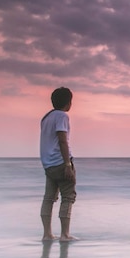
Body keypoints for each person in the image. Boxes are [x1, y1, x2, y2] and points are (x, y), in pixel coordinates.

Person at [40, 87, 77, 242]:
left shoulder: (46, 117)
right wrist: (67, 164)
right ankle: (65, 235)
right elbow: (62, 139)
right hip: (60, 162)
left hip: (48, 164)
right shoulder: (62, 116)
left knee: (49, 198)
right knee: (68, 197)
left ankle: (47, 234)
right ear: (68, 102)